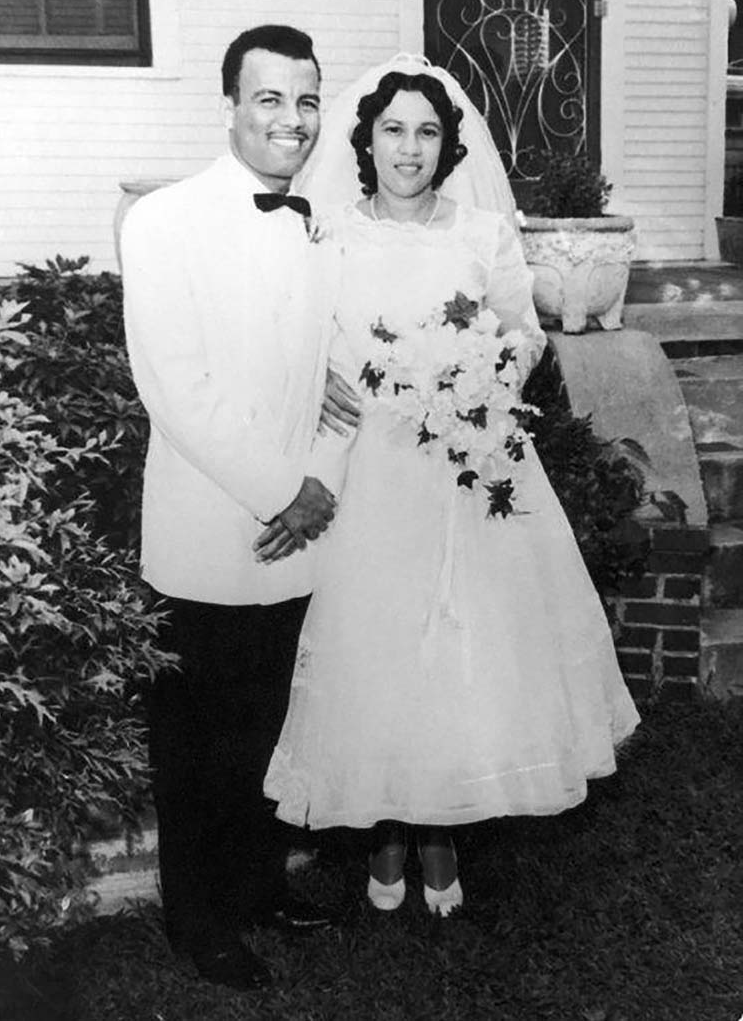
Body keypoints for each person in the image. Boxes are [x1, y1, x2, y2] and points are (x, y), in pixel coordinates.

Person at [261, 55, 641, 918]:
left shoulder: (480, 233)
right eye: (392, 129)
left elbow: (525, 332)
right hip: (368, 470)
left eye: (427, 131)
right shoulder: (331, 233)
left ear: (447, 144)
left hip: (469, 461)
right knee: (384, 645)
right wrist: (314, 373)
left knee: (460, 648)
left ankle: (439, 831)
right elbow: (300, 334)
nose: (409, 147)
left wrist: (492, 367)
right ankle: (386, 827)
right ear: (365, 139)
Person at [121, 24, 343, 991]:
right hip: (210, 532)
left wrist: (322, 479)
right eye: (269, 99)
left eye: (305, 100)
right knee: (198, 744)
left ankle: (257, 886)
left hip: (299, 531)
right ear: (230, 106)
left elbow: (345, 378)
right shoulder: (164, 222)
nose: (290, 120)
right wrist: (284, 488)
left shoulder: (319, 223)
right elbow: (177, 388)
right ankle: (198, 919)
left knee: (266, 726)